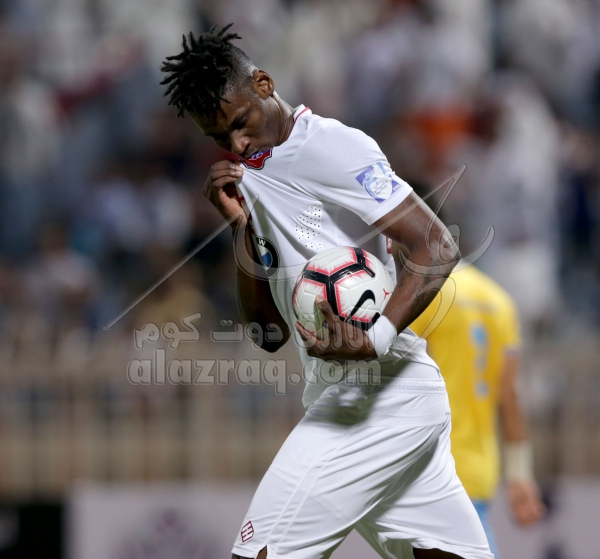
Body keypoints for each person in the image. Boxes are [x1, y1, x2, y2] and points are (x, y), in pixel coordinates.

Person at [161, 24, 492, 559]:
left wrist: (376, 336)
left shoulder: (332, 146)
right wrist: (241, 230)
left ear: (264, 84)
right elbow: (268, 334)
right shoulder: (251, 178)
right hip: (357, 394)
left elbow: (436, 246)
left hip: (378, 397)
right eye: (218, 138)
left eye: (240, 123)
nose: (236, 145)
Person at [410, 261, 546, 557]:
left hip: (433, 466)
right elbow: (509, 395)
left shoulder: (429, 291)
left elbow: (397, 371)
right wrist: (519, 473)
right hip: (480, 469)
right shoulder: (500, 301)